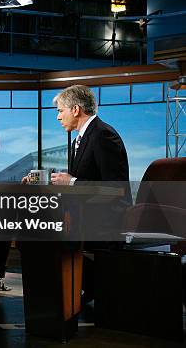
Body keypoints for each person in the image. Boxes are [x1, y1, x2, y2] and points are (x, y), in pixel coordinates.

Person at [46, 84, 130, 303]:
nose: (57, 117)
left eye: (60, 111)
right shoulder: (81, 139)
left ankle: (82, 291)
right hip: (85, 216)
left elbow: (115, 189)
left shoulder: (103, 135)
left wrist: (72, 182)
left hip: (105, 221)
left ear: (75, 110)